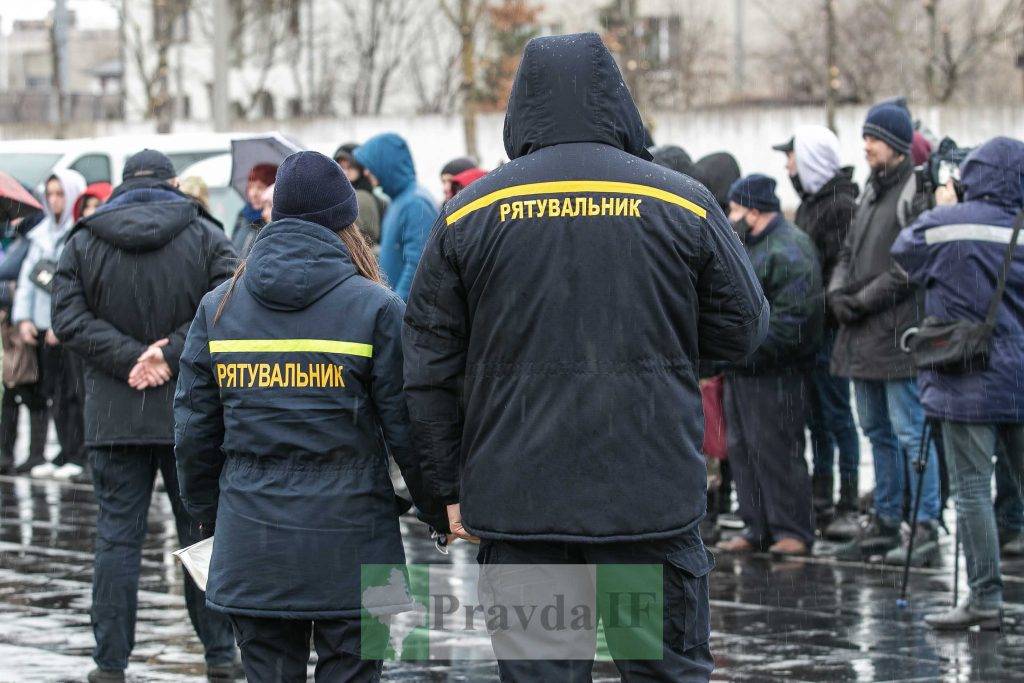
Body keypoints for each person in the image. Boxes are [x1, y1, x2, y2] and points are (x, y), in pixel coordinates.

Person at [404, 33, 768, 682]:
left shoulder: (468, 213)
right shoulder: (682, 201)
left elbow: (429, 370)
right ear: (615, 100)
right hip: (648, 500)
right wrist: (666, 354)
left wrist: (444, 493)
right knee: (664, 671)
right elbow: (743, 326)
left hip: (522, 508)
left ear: (522, 106)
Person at [174, 151, 445, 682]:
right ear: (347, 224)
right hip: (360, 545)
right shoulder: (375, 306)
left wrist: (208, 514)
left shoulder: (219, 308)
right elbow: (408, 428)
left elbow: (193, 431)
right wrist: (438, 510)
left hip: (253, 538)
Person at [50, 149, 240, 683]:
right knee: (200, 535)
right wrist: (169, 353)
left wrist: (127, 356)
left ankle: (110, 663)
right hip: (191, 413)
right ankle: (221, 653)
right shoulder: (205, 234)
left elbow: (66, 316)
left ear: (121, 184)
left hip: (115, 414)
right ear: (173, 182)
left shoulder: (84, 239)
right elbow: (229, 301)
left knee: (116, 539)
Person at [892, 136, 1024, 630]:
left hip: (966, 376)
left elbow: (903, 257)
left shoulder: (944, 224)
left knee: (971, 489)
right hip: (1020, 375)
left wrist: (948, 205)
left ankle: (986, 598)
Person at [829, 102, 941, 566]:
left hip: (896, 335)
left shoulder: (916, 191)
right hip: (860, 334)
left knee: (910, 431)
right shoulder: (870, 191)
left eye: (873, 138)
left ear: (895, 145)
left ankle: (926, 526)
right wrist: (835, 292)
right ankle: (886, 521)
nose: (866, 145)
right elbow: (848, 251)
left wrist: (861, 300)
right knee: (876, 430)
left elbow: (911, 264)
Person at [714, 174, 822, 557]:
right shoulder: (750, 245)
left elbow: (795, 322)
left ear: (755, 212)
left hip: (775, 374)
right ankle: (756, 525)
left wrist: (743, 347)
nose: (729, 216)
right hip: (743, 371)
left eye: (735, 209)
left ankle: (793, 530)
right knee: (742, 450)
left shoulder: (791, 249)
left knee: (778, 451)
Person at [773, 126, 862, 537]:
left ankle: (847, 499)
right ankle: (821, 494)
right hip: (810, 330)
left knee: (837, 415)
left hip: (828, 331)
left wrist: (819, 309)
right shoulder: (811, 204)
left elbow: (837, 270)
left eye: (792, 157)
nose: (788, 166)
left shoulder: (841, 206)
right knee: (816, 419)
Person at [12, 169, 87, 481]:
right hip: (43, 325)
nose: (55, 200)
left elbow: (75, 285)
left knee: (74, 390)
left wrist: (63, 323)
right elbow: (29, 280)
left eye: (60, 194)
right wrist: (24, 318)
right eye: (51, 194)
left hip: (67, 328)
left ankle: (77, 452)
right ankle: (64, 450)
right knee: (53, 390)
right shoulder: (41, 234)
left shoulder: (78, 232)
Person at [354, 133, 437, 300]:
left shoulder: (415, 203)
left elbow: (418, 265)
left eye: (370, 165)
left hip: (407, 314)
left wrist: (398, 308)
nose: (366, 172)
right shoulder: (398, 201)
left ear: (386, 164)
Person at [0, 212, 48, 475]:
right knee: (12, 390)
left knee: (28, 389)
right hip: (14, 326)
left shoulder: (30, 241)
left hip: (23, 326)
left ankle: (33, 453)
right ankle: (8, 452)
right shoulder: (16, 242)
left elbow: (8, 273)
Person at [334, 142, 386, 246]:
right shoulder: (336, 195)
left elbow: (370, 237)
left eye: (350, 167)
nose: (345, 172)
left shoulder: (362, 197)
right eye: (341, 167)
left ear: (360, 168)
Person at [232, 163, 277, 259]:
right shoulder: (242, 216)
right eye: (250, 187)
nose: (253, 193)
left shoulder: (274, 222)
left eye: (260, 187)